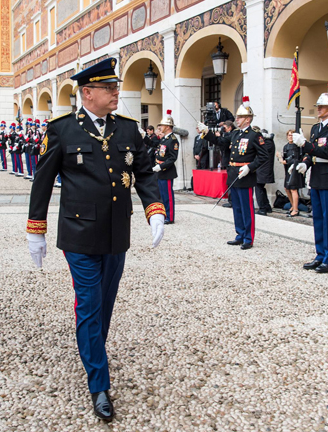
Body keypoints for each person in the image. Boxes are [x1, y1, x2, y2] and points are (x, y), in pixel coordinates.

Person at [26, 58, 166, 422]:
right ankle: (99, 383)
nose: (116, 93)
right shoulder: (61, 130)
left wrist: (154, 208)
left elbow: (145, 171)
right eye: (109, 88)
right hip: (79, 233)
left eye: (116, 87)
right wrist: (35, 230)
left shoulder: (128, 129)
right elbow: (41, 183)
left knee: (105, 302)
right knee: (88, 304)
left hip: (117, 231)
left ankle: (93, 352)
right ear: (87, 93)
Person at [292, 82, 328, 273]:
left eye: (322, 107)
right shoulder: (316, 128)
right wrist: (305, 163)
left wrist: (305, 145)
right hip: (315, 176)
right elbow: (313, 153)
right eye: (318, 107)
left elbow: (327, 151)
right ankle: (320, 254)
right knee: (318, 219)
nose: (319, 110)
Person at [199, 96, 268, 249]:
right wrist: (207, 132)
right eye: (237, 116)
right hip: (233, 174)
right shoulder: (236, 134)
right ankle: (240, 234)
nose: (236, 119)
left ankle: (248, 238)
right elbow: (221, 142)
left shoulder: (254, 135)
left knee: (246, 207)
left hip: (245, 174)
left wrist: (250, 167)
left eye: (240, 117)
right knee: (236, 207)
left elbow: (264, 156)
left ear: (248, 119)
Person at [153, 110, 179, 224]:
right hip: (160, 170)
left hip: (166, 171)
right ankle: (164, 214)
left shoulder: (173, 140)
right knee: (162, 195)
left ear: (168, 127)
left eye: (162, 125)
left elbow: (172, 158)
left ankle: (170, 216)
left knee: (167, 195)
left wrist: (161, 166)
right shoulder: (165, 139)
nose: (160, 127)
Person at [278, 129, 304, 216]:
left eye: (292, 135)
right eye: (289, 135)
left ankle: (296, 209)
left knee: (293, 189)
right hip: (287, 169)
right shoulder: (286, 146)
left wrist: (282, 160)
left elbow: (294, 159)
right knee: (287, 188)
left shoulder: (297, 146)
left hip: (294, 169)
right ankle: (293, 205)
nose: (290, 137)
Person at [255, 129, 275, 215]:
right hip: (263, 169)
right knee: (261, 188)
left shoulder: (268, 143)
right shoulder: (268, 143)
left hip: (263, 170)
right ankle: (267, 206)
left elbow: (260, 152)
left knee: (258, 188)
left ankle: (262, 208)